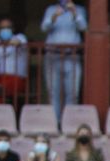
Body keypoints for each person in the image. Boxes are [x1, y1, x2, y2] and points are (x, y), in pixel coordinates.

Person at [41, 0, 87, 128]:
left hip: (71, 56)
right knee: (53, 91)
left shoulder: (80, 9)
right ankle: (54, 123)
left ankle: (69, 123)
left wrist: (74, 13)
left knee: (72, 92)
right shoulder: (50, 9)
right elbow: (44, 27)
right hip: (53, 55)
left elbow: (83, 27)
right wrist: (54, 16)